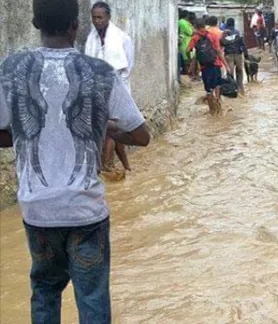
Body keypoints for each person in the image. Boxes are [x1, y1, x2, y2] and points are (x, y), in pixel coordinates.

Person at [0, 0, 150, 322]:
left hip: (37, 210)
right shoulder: (100, 72)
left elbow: (4, 133)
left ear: (35, 23)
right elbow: (141, 136)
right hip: (86, 212)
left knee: (44, 290)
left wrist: (28, 134)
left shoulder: (10, 69)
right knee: (92, 297)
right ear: (75, 25)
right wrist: (103, 125)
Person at [85, 1, 135, 174]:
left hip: (117, 91)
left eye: (100, 17)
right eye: (94, 17)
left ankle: (107, 168)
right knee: (112, 131)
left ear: (108, 17)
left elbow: (128, 67)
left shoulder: (122, 38)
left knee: (111, 130)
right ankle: (125, 167)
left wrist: (115, 91)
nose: (96, 21)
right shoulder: (91, 40)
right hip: (96, 92)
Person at [188, 18, 230, 115]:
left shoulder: (195, 38)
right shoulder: (213, 36)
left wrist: (191, 66)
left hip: (205, 67)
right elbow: (219, 52)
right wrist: (226, 66)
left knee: (208, 90)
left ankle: (212, 111)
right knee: (217, 86)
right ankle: (219, 109)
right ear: (204, 25)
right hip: (216, 64)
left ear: (195, 27)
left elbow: (189, 51)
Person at [221, 17, 249, 95]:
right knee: (239, 71)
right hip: (238, 54)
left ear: (227, 23)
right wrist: (246, 55)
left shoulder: (224, 33)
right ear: (233, 23)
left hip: (228, 55)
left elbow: (222, 44)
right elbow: (242, 44)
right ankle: (241, 89)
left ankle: (232, 89)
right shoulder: (237, 32)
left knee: (230, 72)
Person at [178, 10, 195, 76]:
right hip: (185, 43)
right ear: (186, 16)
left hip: (184, 42)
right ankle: (187, 74)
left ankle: (187, 74)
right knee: (187, 60)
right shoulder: (183, 22)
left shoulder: (180, 21)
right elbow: (190, 32)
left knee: (186, 59)